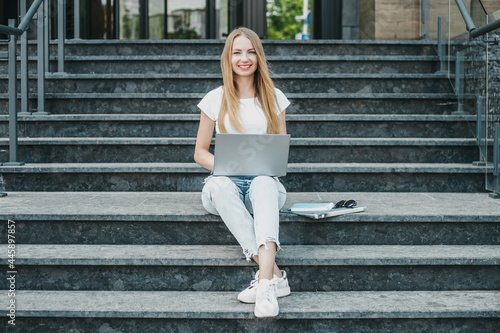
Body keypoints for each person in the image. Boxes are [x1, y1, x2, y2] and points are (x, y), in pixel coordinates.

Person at [194, 27, 291, 318]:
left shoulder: (274, 97)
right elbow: (199, 152)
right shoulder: (215, 98)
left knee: (263, 181)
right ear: (229, 58)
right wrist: (227, 167)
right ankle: (273, 276)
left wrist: (256, 168)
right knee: (221, 185)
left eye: (250, 52)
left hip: (264, 186)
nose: (244, 58)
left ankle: (264, 286)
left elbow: (278, 149)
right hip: (225, 186)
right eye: (237, 52)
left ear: (258, 57)